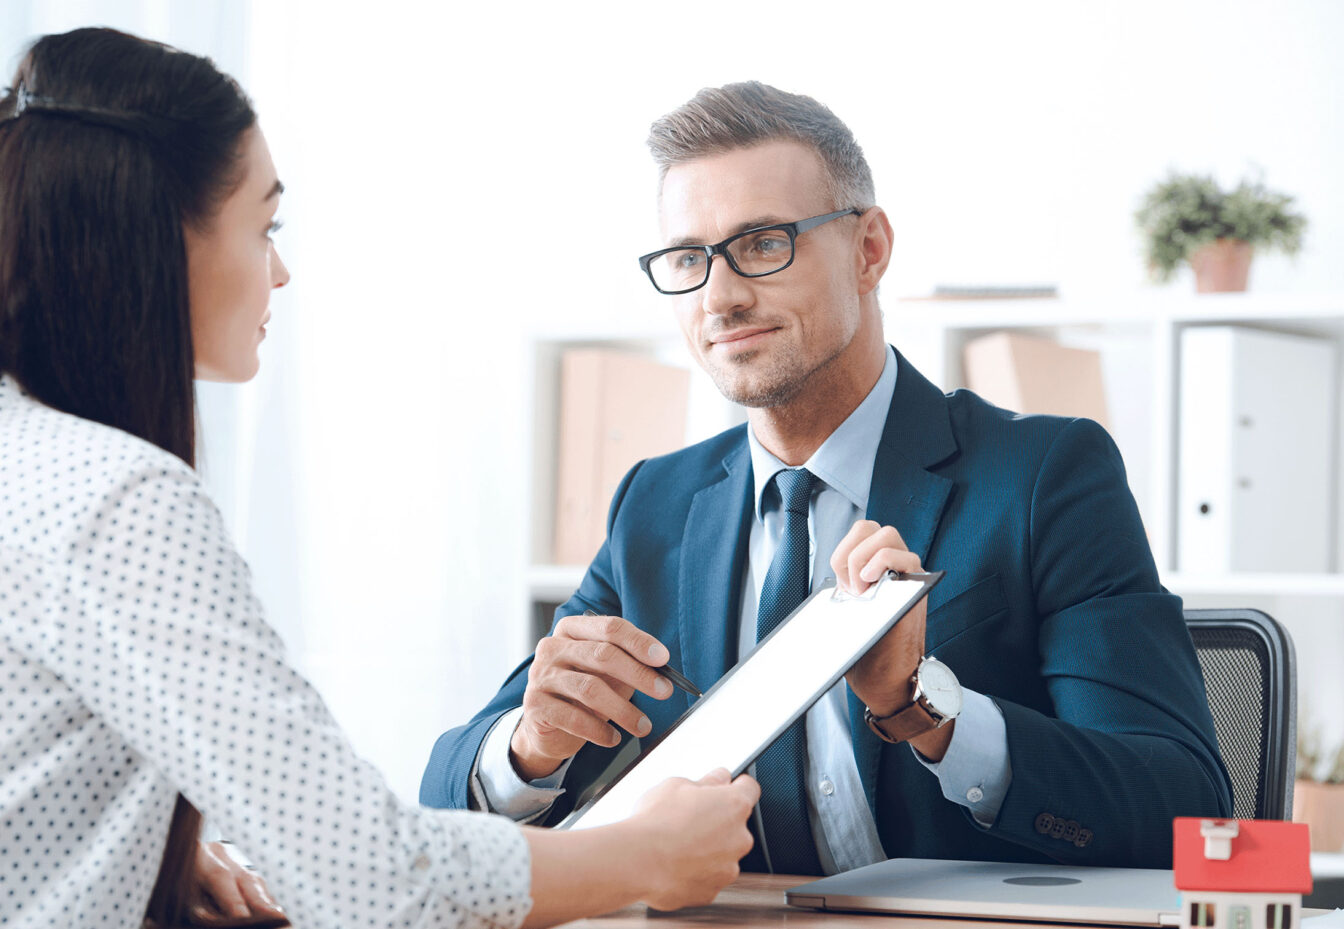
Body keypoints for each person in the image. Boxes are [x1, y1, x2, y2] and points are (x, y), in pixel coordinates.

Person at [0, 29, 760, 929]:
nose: (282, 271)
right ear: (160, 241)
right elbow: (371, 877)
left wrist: (152, 857)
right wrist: (642, 855)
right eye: (265, 225)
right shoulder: (111, 495)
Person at [421, 81, 1232, 875]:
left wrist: (923, 706)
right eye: (686, 258)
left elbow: (1183, 808)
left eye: (764, 244)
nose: (721, 296)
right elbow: (445, 801)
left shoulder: (1045, 477)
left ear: (869, 249)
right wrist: (530, 748)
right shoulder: (656, 504)